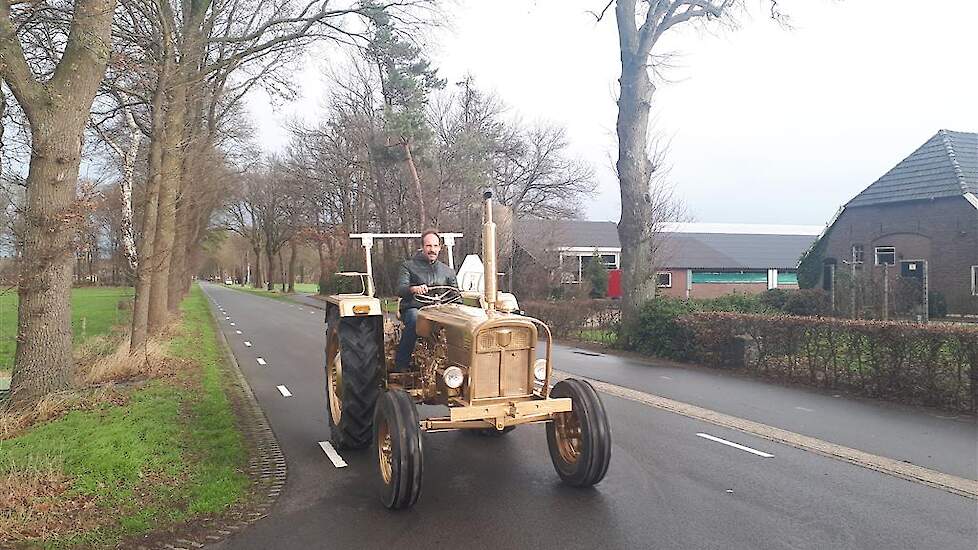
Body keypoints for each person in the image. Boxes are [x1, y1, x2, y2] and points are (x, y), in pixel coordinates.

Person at [394, 230, 458, 372]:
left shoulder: (448, 271)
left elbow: (456, 296)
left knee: (460, 323)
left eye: (435, 246)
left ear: (440, 248)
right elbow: (400, 289)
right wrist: (414, 289)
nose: (432, 249)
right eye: (428, 246)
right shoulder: (408, 266)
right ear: (422, 247)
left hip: (442, 310)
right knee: (414, 319)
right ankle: (401, 364)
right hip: (416, 308)